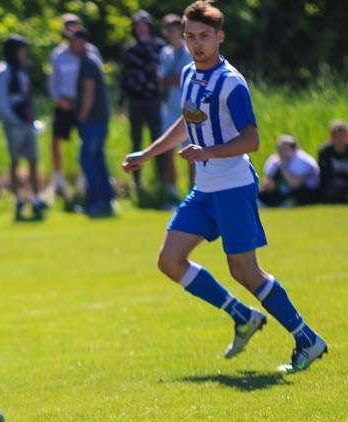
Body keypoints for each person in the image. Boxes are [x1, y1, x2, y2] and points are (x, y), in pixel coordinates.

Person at [121, 1, 327, 373]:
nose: (197, 43)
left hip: (233, 186)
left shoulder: (231, 82)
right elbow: (188, 124)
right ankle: (243, 316)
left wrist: (208, 152)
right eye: (190, 36)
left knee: (246, 272)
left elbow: (252, 140)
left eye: (204, 36)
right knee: (169, 260)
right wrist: (147, 154)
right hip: (205, 188)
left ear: (219, 37)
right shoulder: (187, 73)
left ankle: (307, 339)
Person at [47, 14, 103, 197]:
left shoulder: (91, 53)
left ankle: (85, 180)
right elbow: (53, 81)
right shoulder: (58, 55)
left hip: (84, 104)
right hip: (65, 102)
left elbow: (96, 82)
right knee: (55, 140)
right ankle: (58, 180)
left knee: (87, 142)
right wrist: (59, 100)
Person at [0, 35, 46, 220]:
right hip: (14, 125)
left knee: (33, 160)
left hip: (27, 123)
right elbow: (2, 102)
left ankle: (36, 199)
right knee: (15, 161)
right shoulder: (3, 72)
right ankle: (18, 200)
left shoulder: (22, 71)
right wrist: (15, 122)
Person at [118, 10, 167, 193]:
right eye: (138, 27)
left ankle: (161, 181)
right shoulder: (130, 50)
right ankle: (137, 183)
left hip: (153, 100)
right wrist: (120, 102)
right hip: (136, 101)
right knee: (136, 142)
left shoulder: (159, 47)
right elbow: (124, 77)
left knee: (159, 142)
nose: (141, 30)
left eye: (144, 26)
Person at [68, 27, 115, 216]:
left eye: (72, 40)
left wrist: (81, 116)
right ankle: (106, 199)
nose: (70, 45)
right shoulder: (89, 61)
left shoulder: (87, 63)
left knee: (86, 158)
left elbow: (89, 92)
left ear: (82, 41)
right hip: (99, 119)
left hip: (92, 120)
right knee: (97, 159)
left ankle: (96, 200)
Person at [159, 14, 195, 200]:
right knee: (167, 148)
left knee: (190, 150)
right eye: (167, 29)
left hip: (188, 107)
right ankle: (172, 189)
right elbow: (162, 80)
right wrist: (172, 80)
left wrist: (172, 80)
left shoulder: (188, 52)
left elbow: (187, 80)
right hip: (170, 107)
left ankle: (193, 188)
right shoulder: (165, 53)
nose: (170, 33)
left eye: (173, 29)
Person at [259, 135, 321, 207]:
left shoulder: (303, 160)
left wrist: (283, 169)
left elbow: (296, 185)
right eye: (279, 148)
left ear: (293, 149)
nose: (281, 151)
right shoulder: (273, 160)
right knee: (260, 192)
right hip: (283, 192)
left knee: (300, 193)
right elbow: (269, 185)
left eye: (284, 149)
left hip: (304, 190)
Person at [318, 119, 348, 203]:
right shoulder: (325, 152)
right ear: (331, 138)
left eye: (344, 137)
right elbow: (325, 176)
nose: (341, 141)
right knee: (337, 184)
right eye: (338, 138)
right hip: (333, 188)